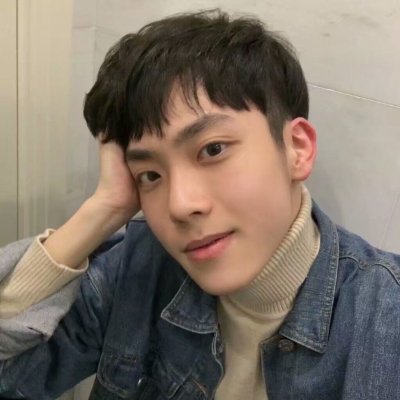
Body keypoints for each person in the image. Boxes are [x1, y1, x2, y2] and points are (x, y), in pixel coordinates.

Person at [1, 9, 400, 400]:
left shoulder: (384, 320)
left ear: (297, 148)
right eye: (150, 176)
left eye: (212, 149)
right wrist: (104, 208)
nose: (180, 205)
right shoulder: (140, 268)